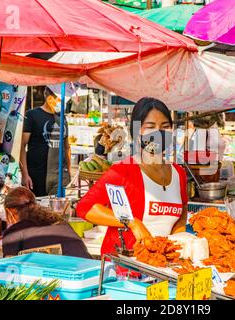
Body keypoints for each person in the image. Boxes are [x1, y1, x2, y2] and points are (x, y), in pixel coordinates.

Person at [76, 97, 188, 257]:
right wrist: (132, 222)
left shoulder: (179, 173)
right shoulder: (122, 171)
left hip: (164, 266)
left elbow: (181, 213)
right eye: (150, 127)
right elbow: (85, 208)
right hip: (124, 270)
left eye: (165, 126)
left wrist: (179, 240)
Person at [3, 187, 91, 259]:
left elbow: (9, 267)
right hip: (89, 272)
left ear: (11, 211)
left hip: (64, 276)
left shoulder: (13, 232)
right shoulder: (59, 221)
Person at [20, 86, 71, 197]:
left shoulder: (62, 118)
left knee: (57, 210)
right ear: (47, 96)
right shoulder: (31, 115)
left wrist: (69, 172)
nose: (61, 103)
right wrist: (25, 175)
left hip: (58, 176)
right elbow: (22, 146)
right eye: (58, 99)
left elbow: (67, 147)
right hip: (36, 175)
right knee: (36, 211)